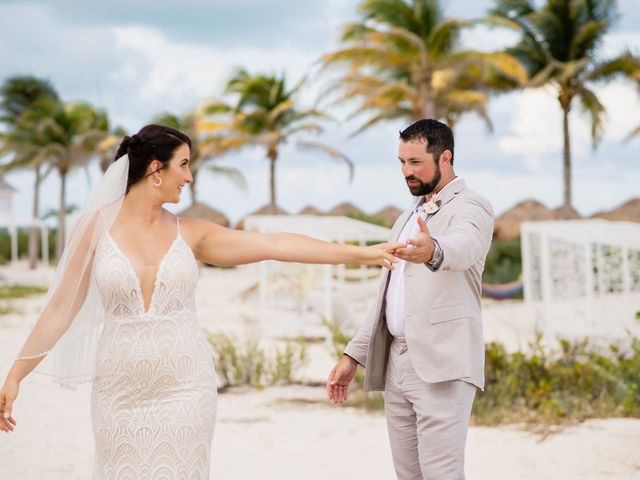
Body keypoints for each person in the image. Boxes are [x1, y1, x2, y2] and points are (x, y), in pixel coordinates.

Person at [0, 124, 400, 479]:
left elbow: (275, 245)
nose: (189, 177)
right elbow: (59, 308)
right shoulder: (93, 228)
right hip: (118, 395)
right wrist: (16, 375)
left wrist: (362, 254)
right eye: (184, 164)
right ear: (156, 169)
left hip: (185, 391)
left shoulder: (191, 233)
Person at [326, 119, 494, 480]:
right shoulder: (407, 216)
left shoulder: (472, 206)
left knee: (441, 474)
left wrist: (434, 249)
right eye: (402, 162)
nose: (407, 171)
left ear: (445, 157)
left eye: (416, 162)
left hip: (442, 363)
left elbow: (465, 245)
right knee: (409, 475)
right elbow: (388, 297)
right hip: (396, 364)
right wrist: (352, 354)